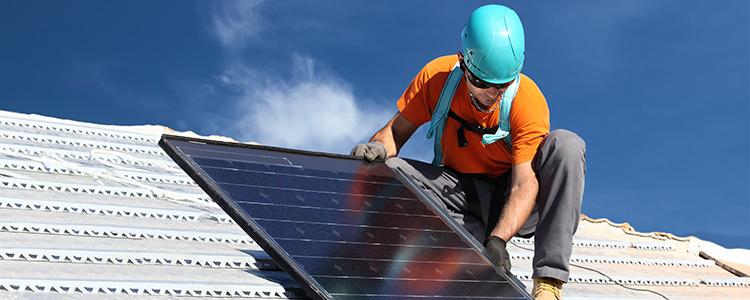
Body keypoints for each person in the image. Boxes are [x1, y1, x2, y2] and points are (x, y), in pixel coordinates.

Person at [351, 4, 585, 300]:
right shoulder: (436, 78)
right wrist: (376, 150)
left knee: (566, 146)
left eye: (501, 86)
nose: (492, 94)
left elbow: (524, 182)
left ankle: (549, 283)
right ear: (463, 63)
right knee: (391, 170)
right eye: (482, 84)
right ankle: (461, 243)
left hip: (514, 199)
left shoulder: (528, 101)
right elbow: (395, 133)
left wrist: (499, 240)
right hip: (460, 195)